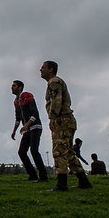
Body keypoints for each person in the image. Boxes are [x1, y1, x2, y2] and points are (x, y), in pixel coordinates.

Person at [40, 60, 92, 191]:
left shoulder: (54, 82)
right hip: (67, 120)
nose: (40, 70)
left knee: (59, 151)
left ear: (51, 69)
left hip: (61, 120)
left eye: (43, 68)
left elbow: (56, 101)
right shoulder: (55, 82)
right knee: (68, 152)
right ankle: (83, 181)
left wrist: (52, 118)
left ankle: (61, 184)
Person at [10, 80, 48, 182]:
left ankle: (44, 177)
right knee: (22, 152)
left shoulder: (27, 96)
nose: (11, 88)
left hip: (35, 127)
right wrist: (14, 131)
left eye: (14, 86)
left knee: (34, 151)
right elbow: (18, 118)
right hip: (27, 130)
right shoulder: (16, 101)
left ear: (20, 87)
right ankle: (32, 175)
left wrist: (26, 125)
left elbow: (35, 114)